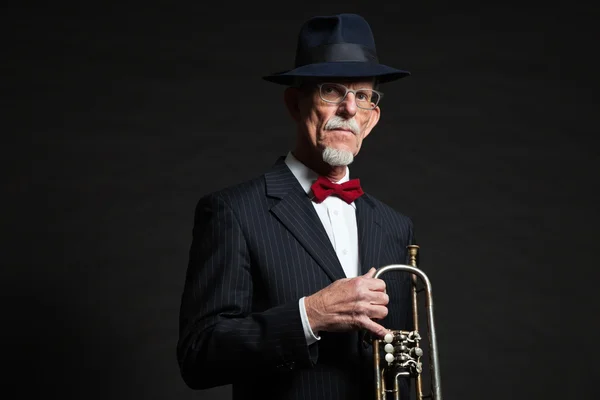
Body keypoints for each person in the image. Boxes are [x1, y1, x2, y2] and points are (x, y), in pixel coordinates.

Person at [177, 13, 417, 400]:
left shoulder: (395, 226)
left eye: (363, 96)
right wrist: (312, 314)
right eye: (332, 91)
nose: (349, 109)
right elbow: (199, 354)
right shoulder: (232, 211)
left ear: (373, 117)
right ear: (294, 102)